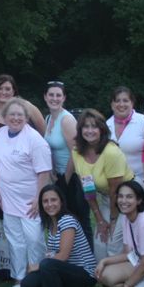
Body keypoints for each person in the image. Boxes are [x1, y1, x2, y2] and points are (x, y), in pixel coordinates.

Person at [0, 99, 52, 287]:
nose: (16, 118)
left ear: (27, 118)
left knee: (33, 238)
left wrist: (38, 198)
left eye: (20, 115)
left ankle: (38, 274)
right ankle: (19, 277)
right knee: (15, 238)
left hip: (30, 199)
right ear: (5, 117)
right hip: (7, 196)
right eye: (12, 114)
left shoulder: (35, 140)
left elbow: (44, 172)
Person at [20, 185, 97, 287]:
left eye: (53, 200)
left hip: (85, 274)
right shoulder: (51, 224)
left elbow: (63, 256)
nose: (50, 204)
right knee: (28, 284)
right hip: (65, 272)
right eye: (45, 201)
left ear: (61, 201)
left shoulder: (67, 220)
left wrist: (37, 266)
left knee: (47, 265)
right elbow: (52, 254)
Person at [71, 109, 134, 267]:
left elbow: (115, 191)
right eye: (86, 126)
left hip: (127, 196)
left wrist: (112, 220)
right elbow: (88, 188)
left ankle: (119, 284)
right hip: (107, 197)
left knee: (113, 242)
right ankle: (106, 286)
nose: (90, 131)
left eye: (94, 126)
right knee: (100, 241)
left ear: (102, 130)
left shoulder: (111, 152)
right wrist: (99, 219)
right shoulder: (77, 152)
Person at [42, 80, 92, 249]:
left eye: (58, 95)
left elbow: (76, 152)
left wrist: (66, 180)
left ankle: (88, 263)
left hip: (74, 177)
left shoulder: (66, 120)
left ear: (64, 98)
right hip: (59, 176)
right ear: (45, 97)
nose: (54, 98)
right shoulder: (48, 118)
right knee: (65, 219)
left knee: (79, 218)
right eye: (51, 95)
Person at [0, 74, 46, 148]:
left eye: (7, 89)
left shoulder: (28, 107)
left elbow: (44, 134)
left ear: (13, 91)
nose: (3, 92)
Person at [106, 86, 144, 185]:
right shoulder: (106, 125)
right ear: (112, 104)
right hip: (115, 183)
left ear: (132, 103)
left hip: (142, 181)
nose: (121, 104)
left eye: (125, 100)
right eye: (117, 101)